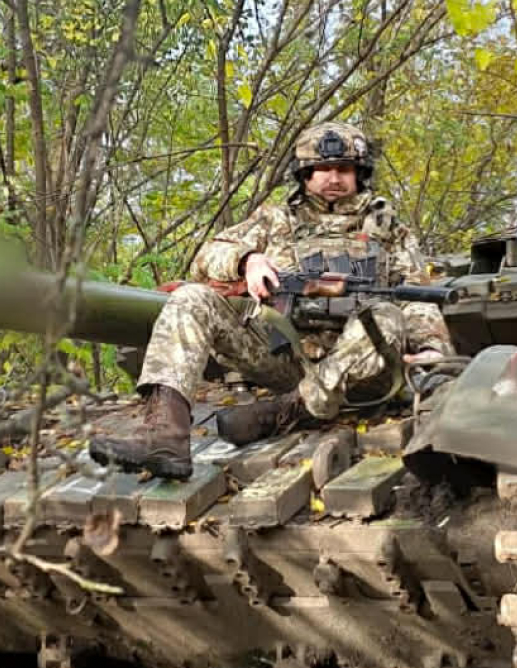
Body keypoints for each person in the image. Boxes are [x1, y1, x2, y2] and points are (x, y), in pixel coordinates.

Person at [89, 121, 452, 480]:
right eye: (322, 169)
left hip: (362, 370)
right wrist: (247, 260)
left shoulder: (389, 230)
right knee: (191, 297)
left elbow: (416, 295)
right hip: (286, 356)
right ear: (305, 174)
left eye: (344, 169)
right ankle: (164, 436)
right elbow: (206, 258)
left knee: (385, 314)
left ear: (360, 173)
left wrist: (432, 351)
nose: (333, 178)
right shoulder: (275, 219)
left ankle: (289, 410)